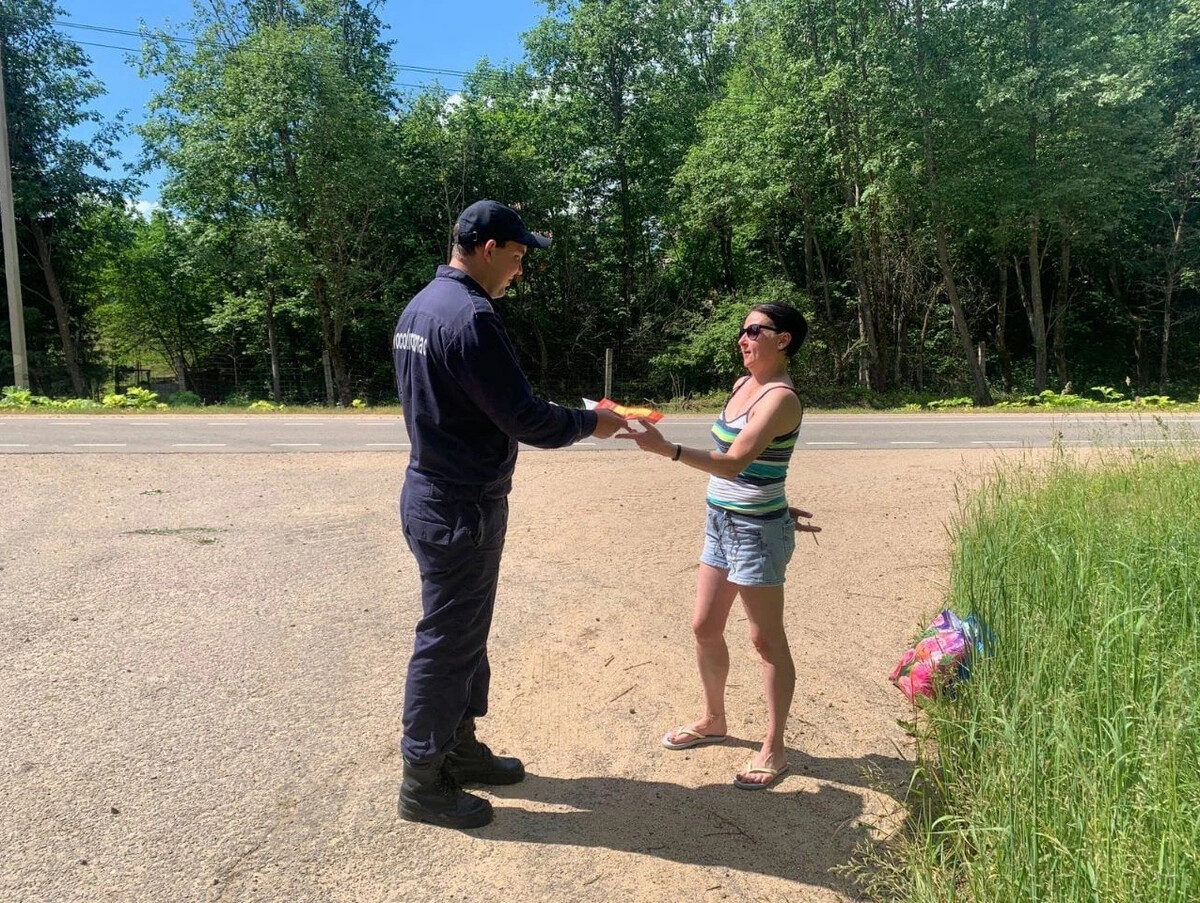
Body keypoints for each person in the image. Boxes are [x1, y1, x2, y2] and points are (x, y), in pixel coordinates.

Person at [392, 200, 625, 829]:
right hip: (459, 503)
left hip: (438, 493)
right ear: (488, 247)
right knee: (446, 643)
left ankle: (458, 748)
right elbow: (525, 418)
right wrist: (593, 423)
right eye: (518, 256)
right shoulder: (470, 316)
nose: (520, 270)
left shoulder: (422, 306)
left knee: (463, 634)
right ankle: (423, 781)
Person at [616, 303, 820, 790]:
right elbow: (759, 470)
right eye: (743, 331)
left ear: (784, 339)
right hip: (722, 522)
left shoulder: (780, 397)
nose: (743, 339)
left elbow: (734, 463)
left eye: (754, 331)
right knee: (704, 626)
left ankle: (774, 748)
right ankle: (714, 719)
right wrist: (776, 501)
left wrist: (667, 449)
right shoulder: (741, 385)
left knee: (765, 640)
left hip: (754, 531)